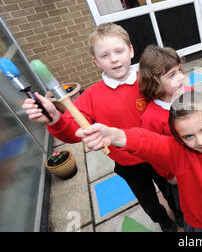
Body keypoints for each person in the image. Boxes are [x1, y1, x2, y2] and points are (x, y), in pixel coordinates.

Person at [21, 23, 179, 232]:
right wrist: (54, 119)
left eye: (119, 51)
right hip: (127, 162)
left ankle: (180, 215)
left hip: (159, 152)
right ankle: (164, 222)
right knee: (148, 199)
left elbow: (173, 103)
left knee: (171, 190)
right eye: (105, 55)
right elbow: (72, 130)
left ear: (131, 51)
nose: (114, 59)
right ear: (96, 61)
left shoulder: (148, 80)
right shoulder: (91, 97)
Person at [75, 91, 202, 232]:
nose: (200, 141)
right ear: (178, 136)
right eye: (189, 136)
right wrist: (117, 136)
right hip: (194, 221)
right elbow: (150, 142)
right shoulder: (180, 151)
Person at [138, 45, 189, 227]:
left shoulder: (188, 94)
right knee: (186, 203)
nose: (181, 77)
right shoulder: (151, 117)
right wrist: (168, 175)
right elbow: (154, 152)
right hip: (177, 173)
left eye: (180, 70)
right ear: (154, 81)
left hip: (198, 162)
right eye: (172, 75)